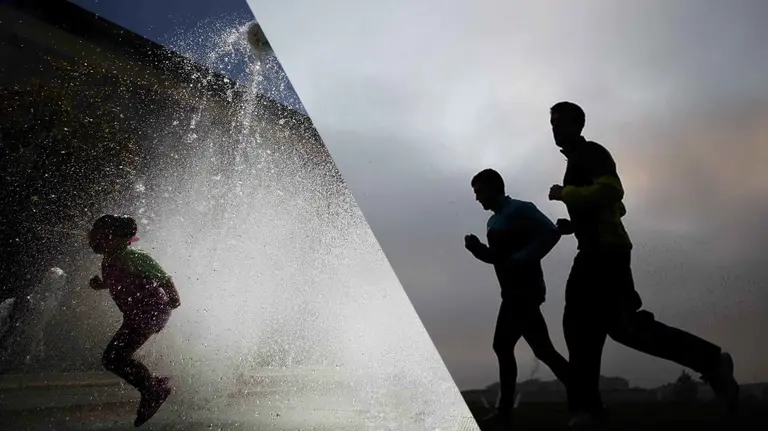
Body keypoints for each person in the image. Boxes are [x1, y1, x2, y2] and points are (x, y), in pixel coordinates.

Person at [546, 101, 739, 428]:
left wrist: (566, 193)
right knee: (612, 328)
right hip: (600, 250)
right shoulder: (580, 157)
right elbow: (609, 208)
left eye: (560, 123)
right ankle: (710, 362)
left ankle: (587, 410)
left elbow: (612, 191)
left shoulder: (591, 152)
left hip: (604, 253)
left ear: (578, 125)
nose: (555, 129)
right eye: (552, 123)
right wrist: (574, 225)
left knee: (591, 327)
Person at [465, 168, 570, 428]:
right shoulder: (492, 222)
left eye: (479, 192)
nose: (477, 198)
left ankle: (504, 412)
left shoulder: (522, 209)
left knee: (504, 346)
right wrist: (477, 250)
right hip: (511, 292)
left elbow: (551, 232)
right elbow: (499, 258)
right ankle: (586, 395)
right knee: (541, 350)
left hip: (526, 291)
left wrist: (524, 258)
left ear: (494, 188)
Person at [87, 214, 181, 427]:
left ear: (121, 239)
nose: (95, 241)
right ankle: (152, 387)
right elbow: (119, 279)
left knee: (114, 357)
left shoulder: (133, 256)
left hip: (150, 311)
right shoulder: (111, 258)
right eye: (94, 235)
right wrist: (102, 284)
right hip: (136, 314)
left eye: (102, 237)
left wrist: (174, 297)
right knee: (114, 357)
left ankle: (152, 389)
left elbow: (163, 277)